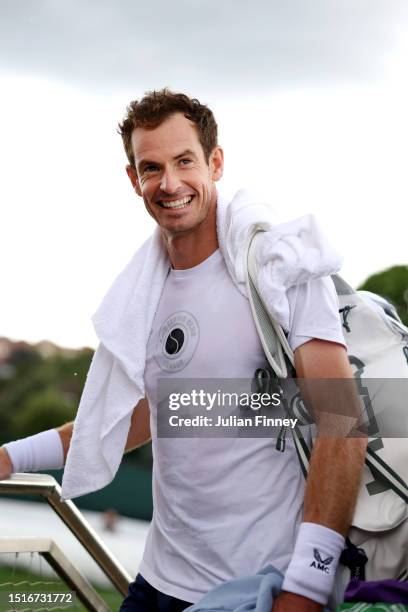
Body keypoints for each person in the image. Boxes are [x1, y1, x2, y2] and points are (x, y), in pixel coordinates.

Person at [0, 89, 367, 612]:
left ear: (215, 163)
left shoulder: (279, 266)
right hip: (155, 583)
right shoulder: (143, 291)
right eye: (151, 168)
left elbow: (343, 424)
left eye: (184, 161)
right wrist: (11, 457)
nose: (169, 184)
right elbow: (140, 415)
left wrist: (306, 587)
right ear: (134, 180)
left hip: (256, 588)